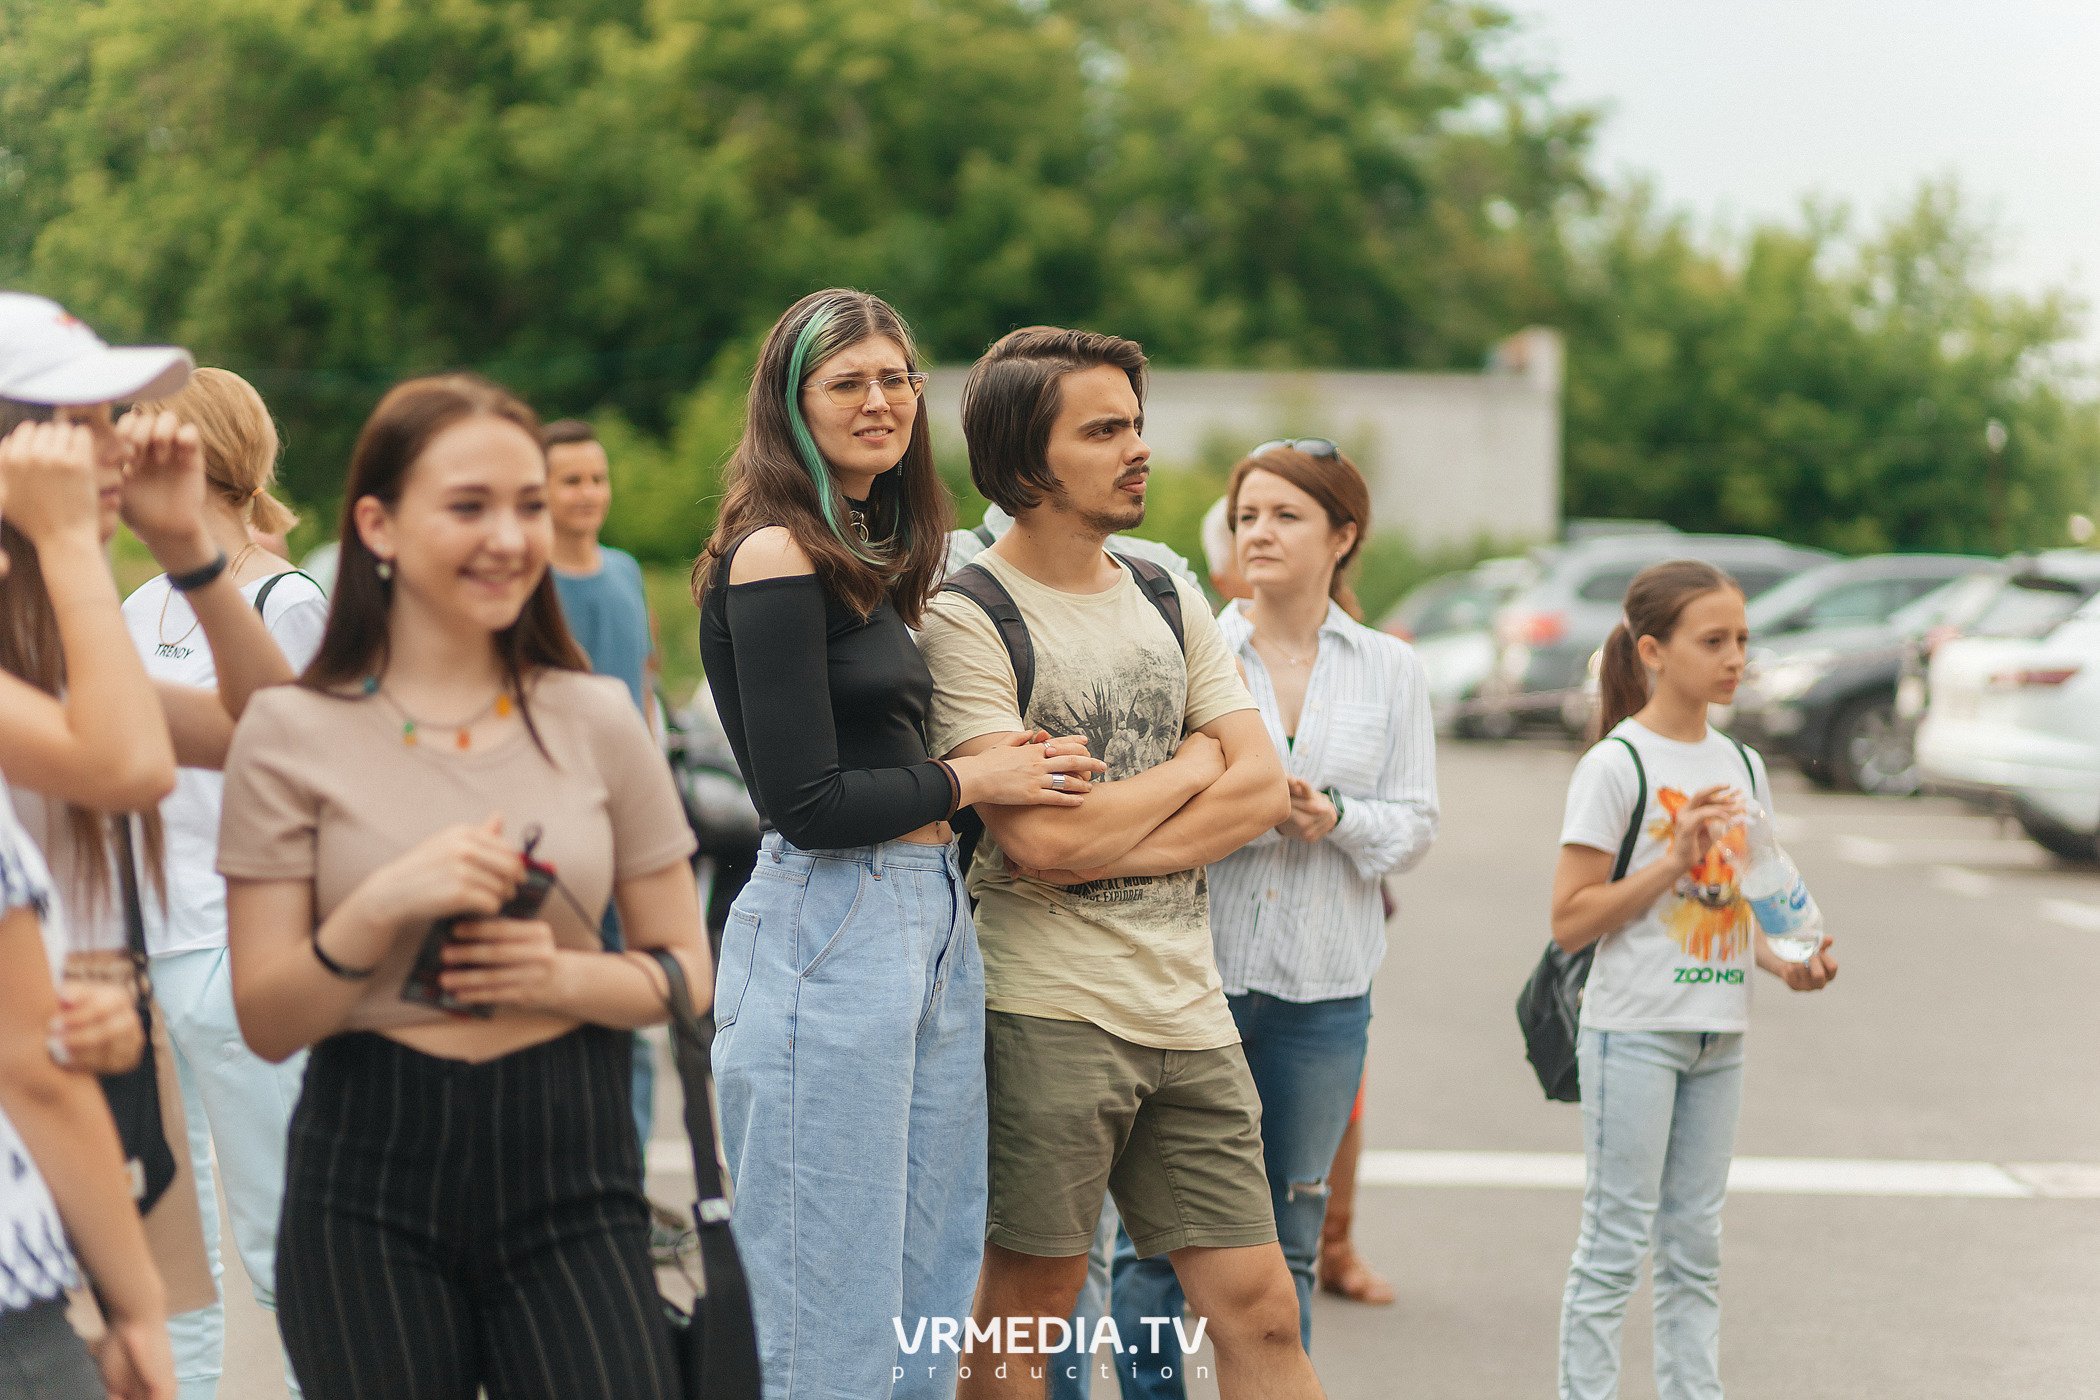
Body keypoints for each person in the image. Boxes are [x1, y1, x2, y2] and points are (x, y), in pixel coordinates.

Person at [217, 373, 713, 1399]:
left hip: (576, 1177)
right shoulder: (290, 730)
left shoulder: (596, 716)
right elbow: (266, 1018)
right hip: (364, 1187)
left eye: (528, 505)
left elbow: (685, 969)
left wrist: (560, 977)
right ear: (378, 525)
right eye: (470, 506)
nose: (510, 537)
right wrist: (379, 907)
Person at [694, 289, 1103, 1400]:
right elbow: (804, 800)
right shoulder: (774, 553)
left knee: (930, 1287)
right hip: (830, 922)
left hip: (928, 914)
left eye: (897, 378)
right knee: (824, 1314)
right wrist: (977, 778)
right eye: (848, 382)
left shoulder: (874, 551)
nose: (879, 400)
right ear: (792, 403)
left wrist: (1010, 769)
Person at [915, 326, 1320, 1400]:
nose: (1139, 449)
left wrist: (1108, 824)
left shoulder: (1164, 589)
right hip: (1048, 1008)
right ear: (1025, 462)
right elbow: (1040, 842)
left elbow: (1263, 787)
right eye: (1103, 431)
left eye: (1136, 424)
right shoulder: (967, 619)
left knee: (1262, 1309)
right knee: (1027, 1315)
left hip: (1188, 1004)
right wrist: (1192, 762)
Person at [0, 303, 303, 1400]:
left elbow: (271, 735)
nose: (123, 445)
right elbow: (126, 764)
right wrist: (73, 546)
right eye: (87, 421)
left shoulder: (52, 624)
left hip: (89, 1079)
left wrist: (190, 553)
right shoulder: (63, 605)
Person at [1108, 441, 1437, 1395]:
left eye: (1286, 515)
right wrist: (1248, 812)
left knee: (1289, 1238)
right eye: (1247, 514)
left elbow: (1416, 825)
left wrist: (1335, 817)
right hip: (1189, 988)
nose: (1259, 532)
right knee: (1155, 1248)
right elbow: (1147, 809)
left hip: (1323, 995)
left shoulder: (1390, 668)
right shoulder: (1189, 648)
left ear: (1342, 536)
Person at [1550, 560, 1839, 1400]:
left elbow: (1738, 904)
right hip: (1635, 1030)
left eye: (1742, 639)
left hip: (1721, 1032)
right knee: (1614, 1248)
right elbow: (1570, 919)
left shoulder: (1742, 764)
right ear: (1653, 651)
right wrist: (1673, 859)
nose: (1735, 658)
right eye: (1713, 641)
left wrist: (1788, 963)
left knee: (1695, 1251)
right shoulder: (1617, 765)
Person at [122, 368, 327, 1400]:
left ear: (195, 449)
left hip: (245, 950)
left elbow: (316, 777)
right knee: (175, 1253)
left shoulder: (285, 600)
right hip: (146, 956)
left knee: (282, 1235)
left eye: (141, 431)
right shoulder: (129, 606)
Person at [542, 417, 660, 1147]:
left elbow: (641, 691)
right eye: (571, 481)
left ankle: (629, 1167)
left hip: (630, 818)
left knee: (636, 990)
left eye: (596, 478)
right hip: (561, 820)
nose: (588, 493)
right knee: (569, 989)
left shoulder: (624, 570)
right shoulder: (528, 581)